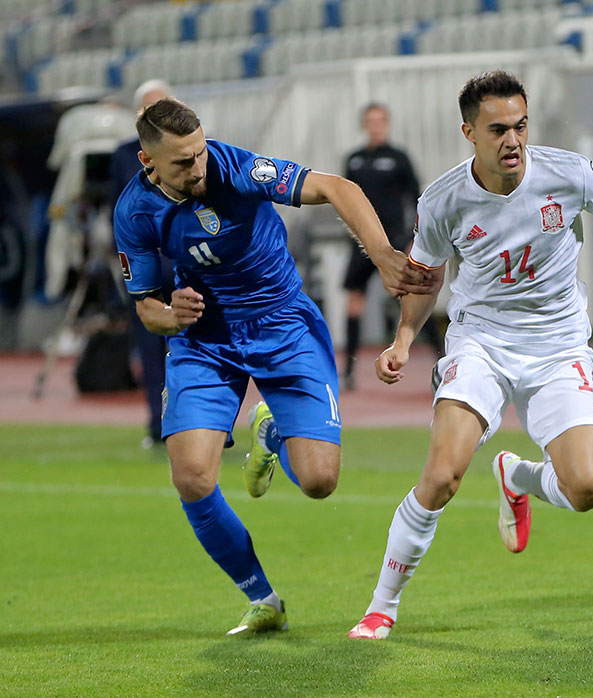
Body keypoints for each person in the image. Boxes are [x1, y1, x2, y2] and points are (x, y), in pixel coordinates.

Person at [347, 71, 593, 640]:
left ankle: (518, 477)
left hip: (559, 346)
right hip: (481, 342)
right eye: (498, 129)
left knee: (588, 489)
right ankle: (382, 605)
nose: (513, 140)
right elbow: (427, 279)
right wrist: (404, 339)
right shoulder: (444, 200)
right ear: (469, 133)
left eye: (521, 126)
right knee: (443, 474)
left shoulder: (567, 173)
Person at [113, 97, 434, 635]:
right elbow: (145, 305)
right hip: (204, 340)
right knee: (191, 477)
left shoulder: (235, 167)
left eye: (199, 152)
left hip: (281, 323)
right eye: (183, 162)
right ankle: (263, 598)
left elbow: (338, 188)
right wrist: (172, 315)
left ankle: (271, 431)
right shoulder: (134, 212)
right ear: (149, 162)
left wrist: (382, 256)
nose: (199, 166)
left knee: (319, 482)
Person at [341, 103, 443, 389]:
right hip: (362, 245)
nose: (375, 126)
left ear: (386, 124)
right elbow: (346, 202)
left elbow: (417, 199)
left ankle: (442, 359)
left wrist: (414, 239)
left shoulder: (398, 158)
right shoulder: (354, 160)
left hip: (395, 242)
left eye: (380, 121)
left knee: (415, 297)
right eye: (370, 121)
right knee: (354, 302)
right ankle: (348, 368)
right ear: (364, 125)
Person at [109, 79, 174, 448]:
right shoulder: (121, 155)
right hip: (144, 259)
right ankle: (157, 425)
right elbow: (115, 213)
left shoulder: (192, 151)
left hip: (184, 259)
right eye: (150, 107)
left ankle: (209, 427)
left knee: (199, 342)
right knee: (150, 347)